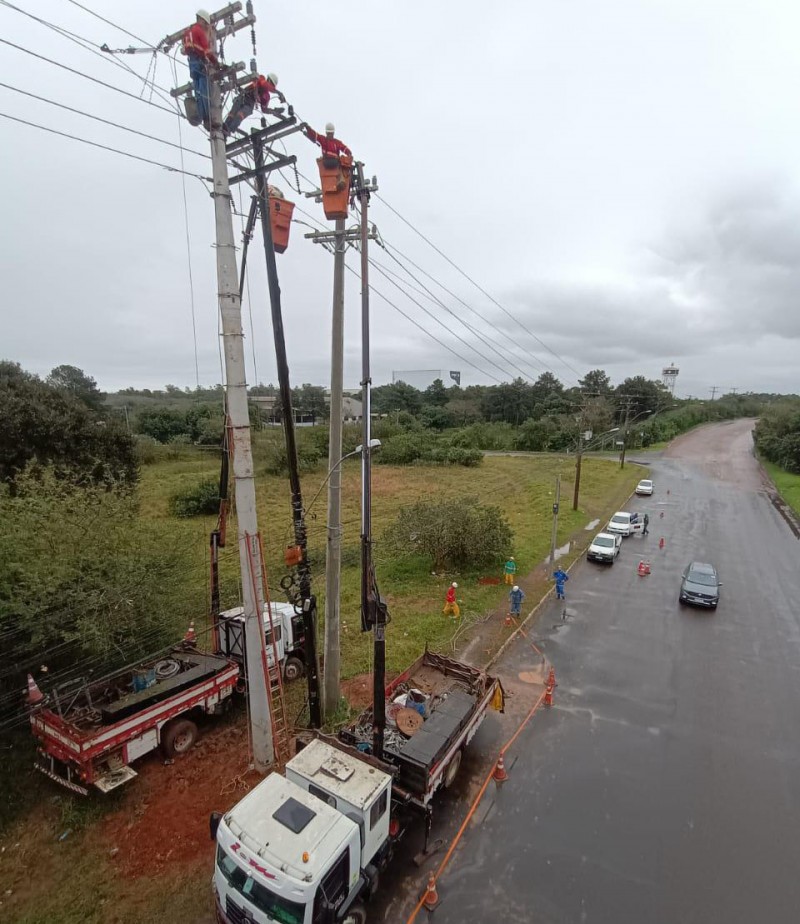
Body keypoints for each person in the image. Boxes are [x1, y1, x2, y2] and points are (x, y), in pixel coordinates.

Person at [181, 9, 217, 130]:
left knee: (198, 92)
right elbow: (207, 51)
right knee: (205, 91)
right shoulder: (199, 31)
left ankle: (200, 114)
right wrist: (215, 63)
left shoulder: (187, 32)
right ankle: (206, 118)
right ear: (201, 19)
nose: (206, 26)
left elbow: (184, 50)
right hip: (200, 63)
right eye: (205, 23)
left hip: (192, 65)